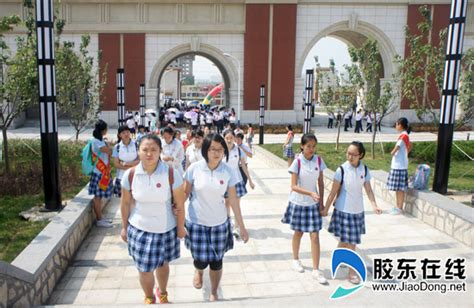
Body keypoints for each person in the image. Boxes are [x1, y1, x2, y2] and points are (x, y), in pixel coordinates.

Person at [120, 135, 186, 304]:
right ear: (138, 151)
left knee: (163, 265)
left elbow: (179, 202)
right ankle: (149, 297)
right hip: (139, 228)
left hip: (166, 228)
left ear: (160, 151)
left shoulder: (171, 173)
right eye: (145, 149)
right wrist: (124, 227)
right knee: (144, 269)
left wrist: (180, 227)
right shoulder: (130, 175)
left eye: (154, 150)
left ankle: (163, 293)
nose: (149, 153)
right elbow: (125, 203)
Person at [183, 133, 249, 302]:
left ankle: (214, 291)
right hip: (196, 222)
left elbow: (233, 200)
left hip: (219, 223)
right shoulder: (194, 169)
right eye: (213, 149)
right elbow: (184, 195)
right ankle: (198, 271)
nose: (217, 153)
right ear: (206, 150)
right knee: (200, 261)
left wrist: (241, 226)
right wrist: (174, 218)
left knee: (216, 262)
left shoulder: (228, 171)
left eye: (220, 149)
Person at [321, 141, 382, 284]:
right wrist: (326, 209)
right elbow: (333, 192)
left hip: (357, 211)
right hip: (343, 210)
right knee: (350, 243)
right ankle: (352, 273)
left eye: (353, 154)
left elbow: (368, 190)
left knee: (347, 240)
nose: (350, 157)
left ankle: (339, 258)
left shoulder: (364, 170)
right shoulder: (341, 170)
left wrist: (374, 205)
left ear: (360, 155)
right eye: (348, 153)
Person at [282, 133, 327, 284]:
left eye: (314, 146)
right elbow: (293, 186)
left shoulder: (318, 160)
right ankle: (295, 259)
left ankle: (316, 269)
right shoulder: (297, 162)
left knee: (315, 236)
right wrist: (310, 193)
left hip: (313, 204)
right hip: (299, 203)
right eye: (308, 146)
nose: (311, 149)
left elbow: (320, 182)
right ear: (302, 146)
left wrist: (321, 201)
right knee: (299, 232)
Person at [223, 130, 255, 238]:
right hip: (224, 181)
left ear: (234, 138)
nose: (229, 140)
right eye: (227, 138)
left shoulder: (238, 149)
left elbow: (243, 165)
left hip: (236, 180)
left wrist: (250, 180)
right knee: (226, 203)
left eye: (231, 138)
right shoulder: (220, 150)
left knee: (236, 204)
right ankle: (227, 225)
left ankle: (237, 227)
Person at [88, 120, 114, 228]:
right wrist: (110, 146)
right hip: (99, 173)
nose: (107, 130)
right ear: (103, 130)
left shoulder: (100, 140)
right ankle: (99, 220)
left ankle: (101, 217)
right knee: (97, 197)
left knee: (99, 196)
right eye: (106, 128)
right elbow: (108, 151)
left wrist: (108, 145)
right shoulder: (96, 142)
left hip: (103, 172)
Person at [388, 117, 411, 215]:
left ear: (401, 125)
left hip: (399, 166)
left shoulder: (403, 137)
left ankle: (399, 207)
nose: (396, 126)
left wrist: (392, 153)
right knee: (398, 188)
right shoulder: (405, 136)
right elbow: (410, 147)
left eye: (397, 124)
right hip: (401, 165)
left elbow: (395, 149)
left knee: (400, 189)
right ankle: (398, 206)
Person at [112, 126, 139, 198]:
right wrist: (130, 167)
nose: (126, 134)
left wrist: (126, 164)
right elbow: (116, 164)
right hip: (121, 177)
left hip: (135, 176)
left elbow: (140, 160)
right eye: (123, 133)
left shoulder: (136, 144)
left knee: (135, 199)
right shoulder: (117, 147)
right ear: (119, 135)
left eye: (127, 132)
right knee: (122, 199)